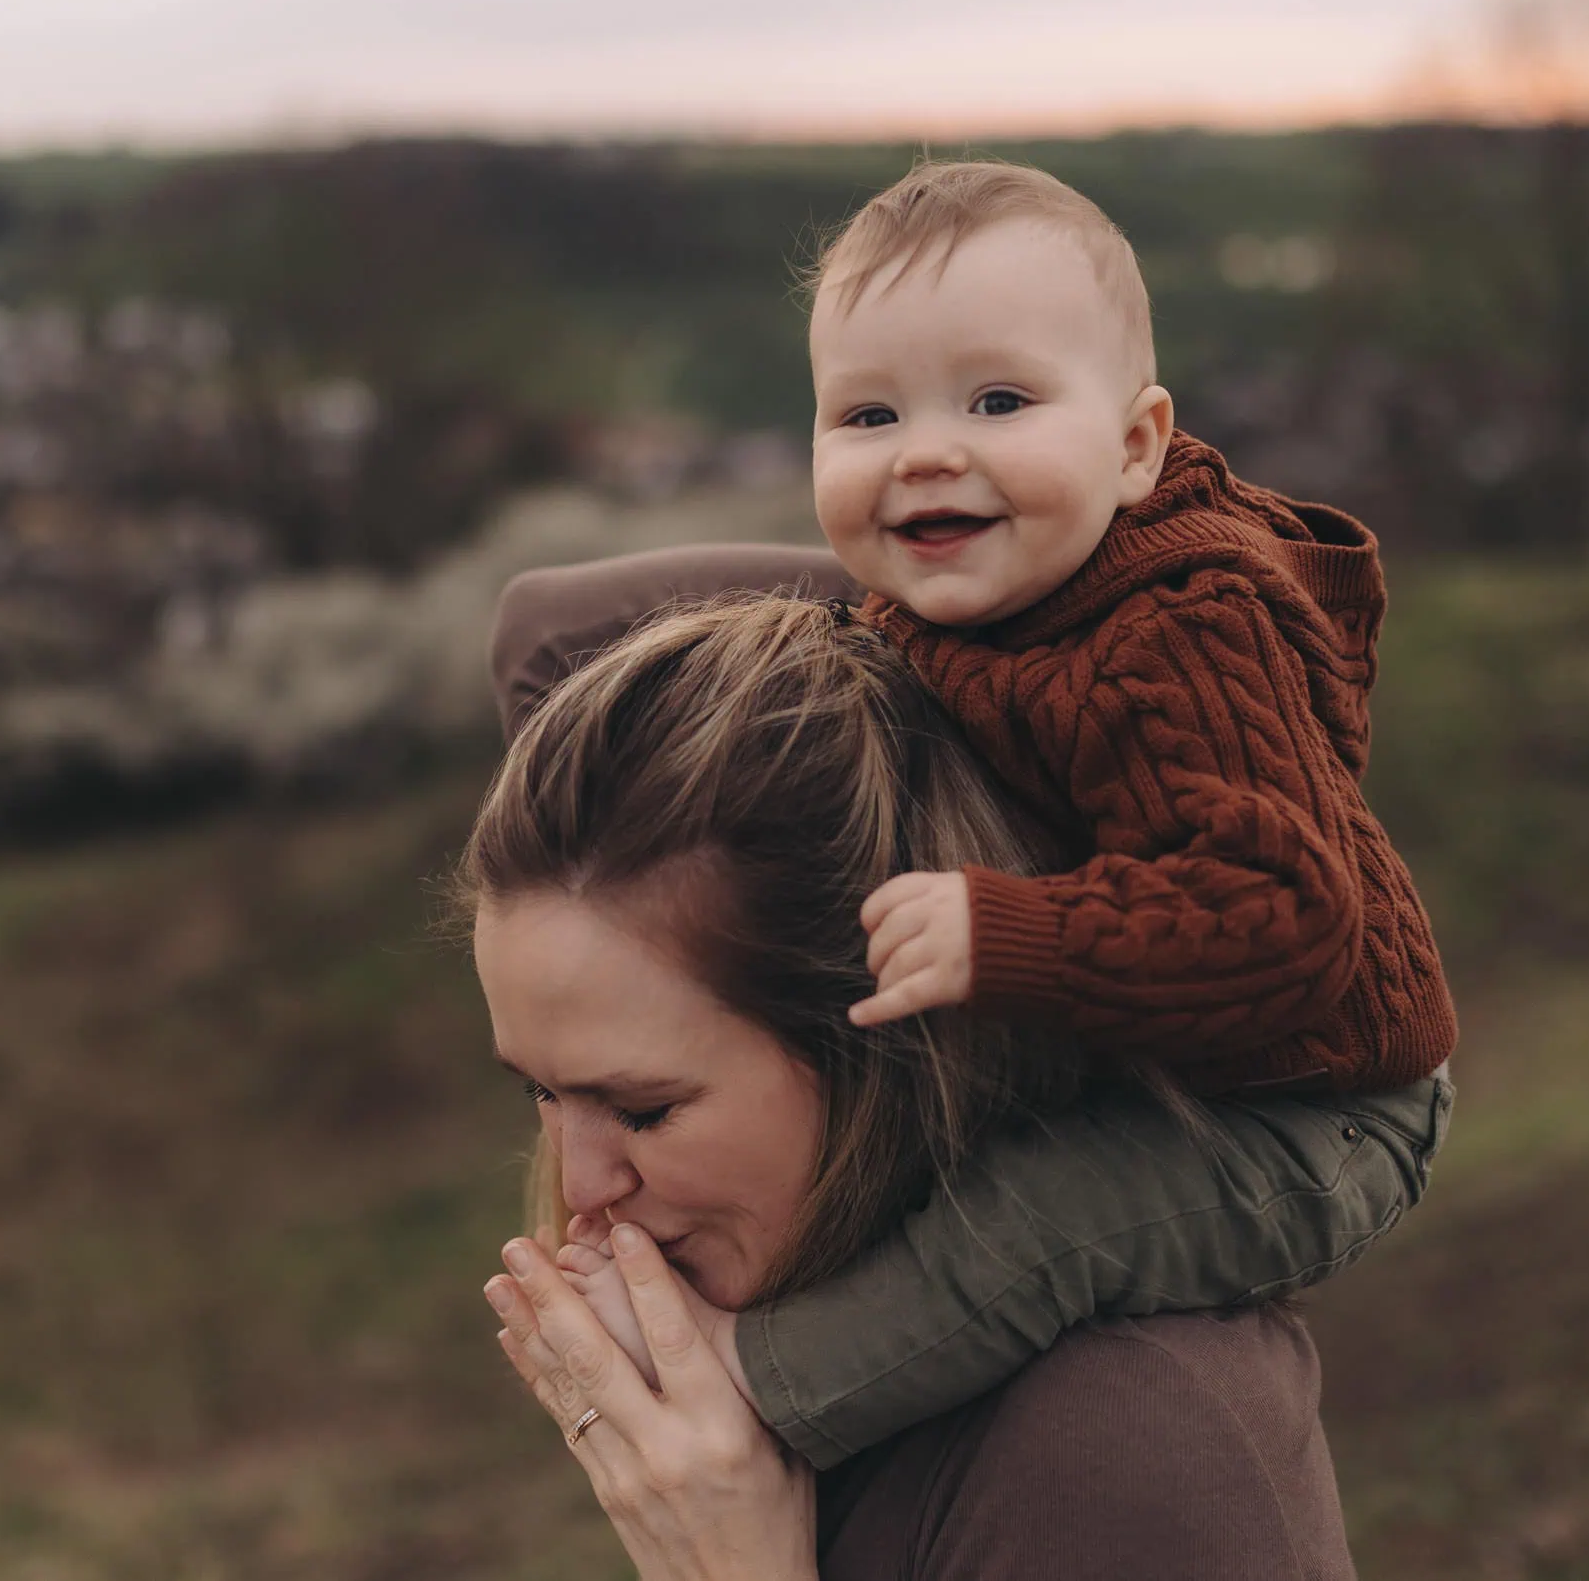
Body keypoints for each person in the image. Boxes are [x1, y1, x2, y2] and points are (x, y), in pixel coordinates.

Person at [479, 157, 1453, 1470]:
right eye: (867, 415)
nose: (927, 450)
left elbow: (1289, 921)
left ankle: (756, 1390)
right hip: (1183, 1003)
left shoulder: (1183, 641)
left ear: (1135, 446)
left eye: (999, 401)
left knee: (1037, 1223)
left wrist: (1013, 933)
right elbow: (553, 632)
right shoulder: (1000, 577)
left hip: (1306, 1100)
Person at [468, 595, 1362, 1577]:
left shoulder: (1121, 1445)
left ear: (888, 1037)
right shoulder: (761, 1362)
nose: (581, 1184)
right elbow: (545, 623)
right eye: (539, 1093)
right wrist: (887, 654)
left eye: (643, 1110)